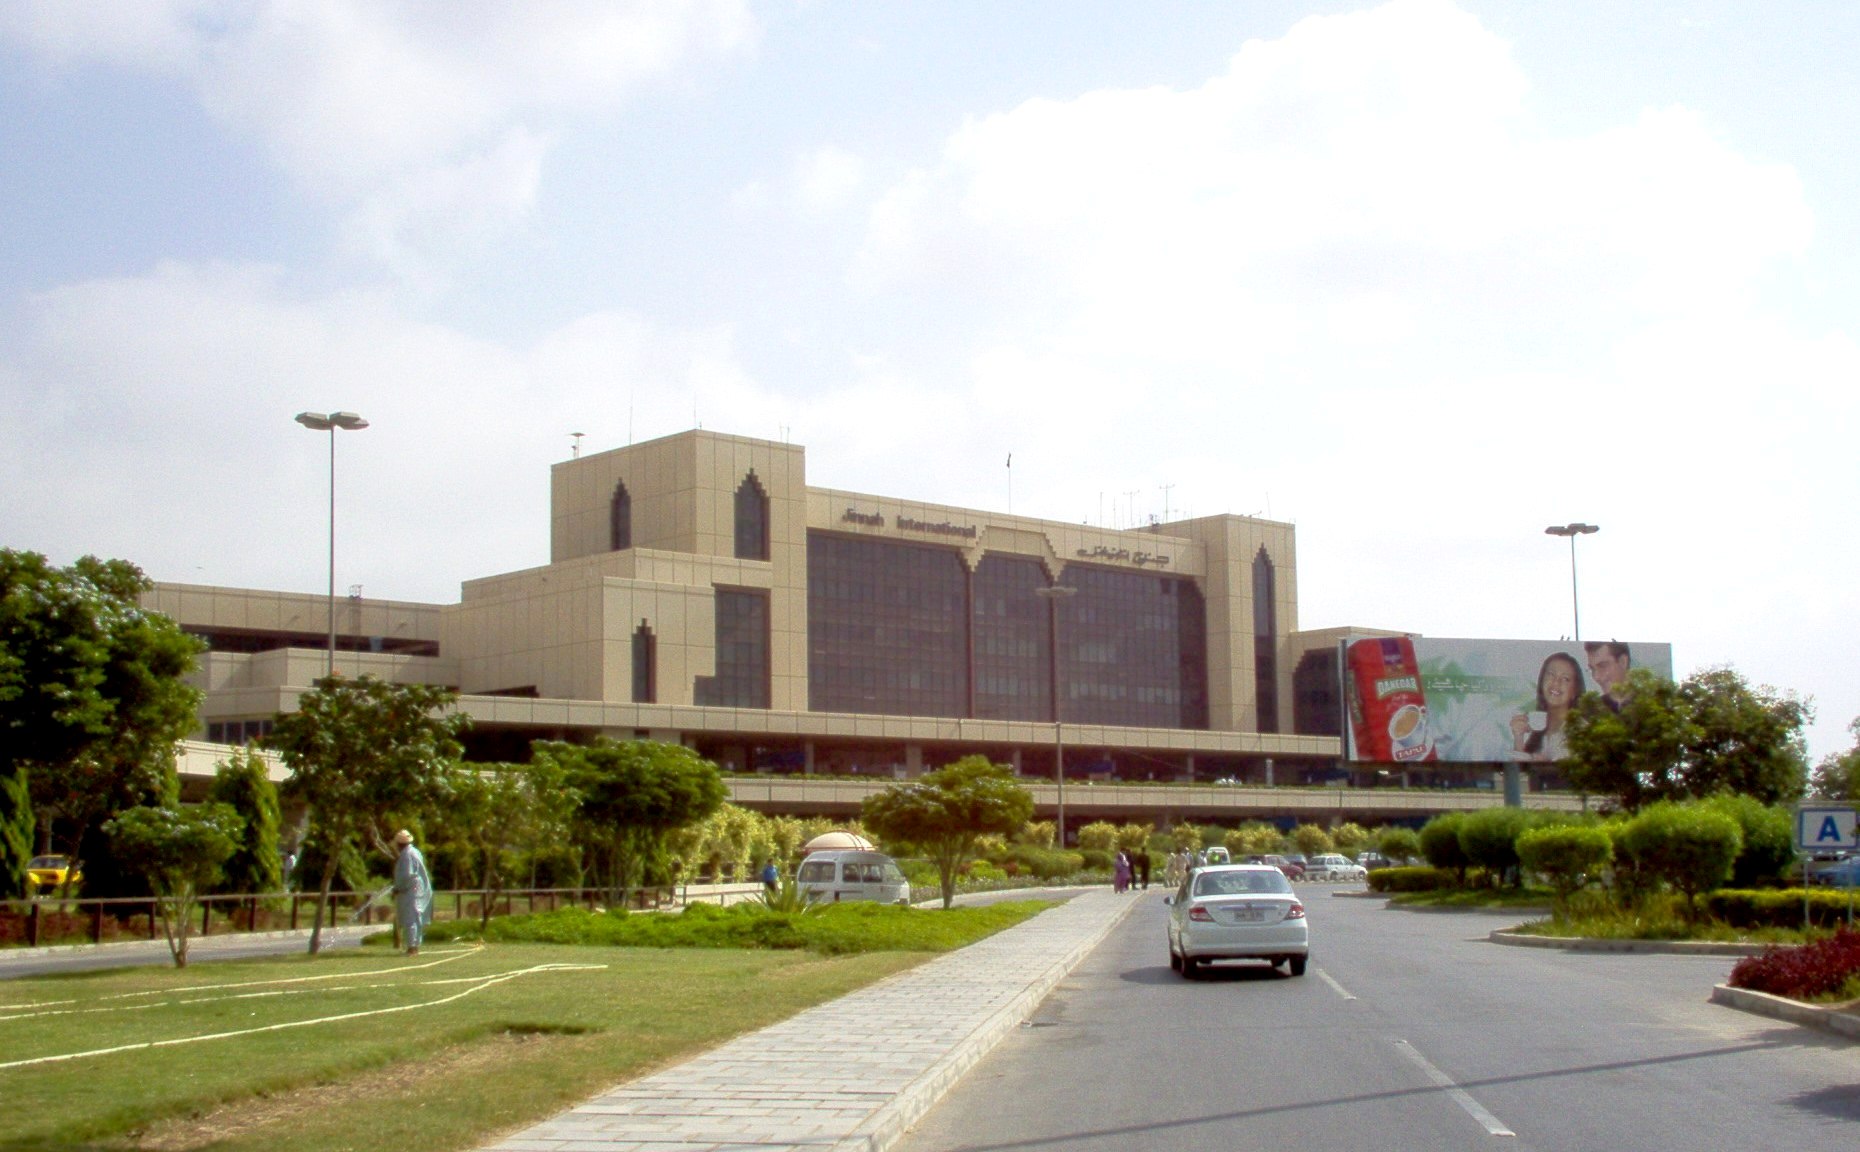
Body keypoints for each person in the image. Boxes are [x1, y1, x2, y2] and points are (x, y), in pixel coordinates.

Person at [1510, 653, 1586, 762]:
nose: (1556, 682)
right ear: (1541, 681)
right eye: (1551, 674)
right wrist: (1518, 738)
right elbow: (1522, 771)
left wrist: (1547, 766)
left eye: (1565, 679)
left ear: (1574, 691)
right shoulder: (1536, 728)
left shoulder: (1581, 731)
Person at [392, 829, 434, 956]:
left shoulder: (407, 855)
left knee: (410, 919)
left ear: (399, 844)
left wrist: (398, 887)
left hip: (411, 890)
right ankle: (414, 946)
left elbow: (407, 875)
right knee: (415, 919)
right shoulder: (414, 852)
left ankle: (412, 947)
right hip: (415, 889)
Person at [1584, 641, 1632, 712]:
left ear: (1623, 662)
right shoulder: (1593, 711)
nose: (1596, 677)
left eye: (1602, 666)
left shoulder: (1648, 704)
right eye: (1592, 669)